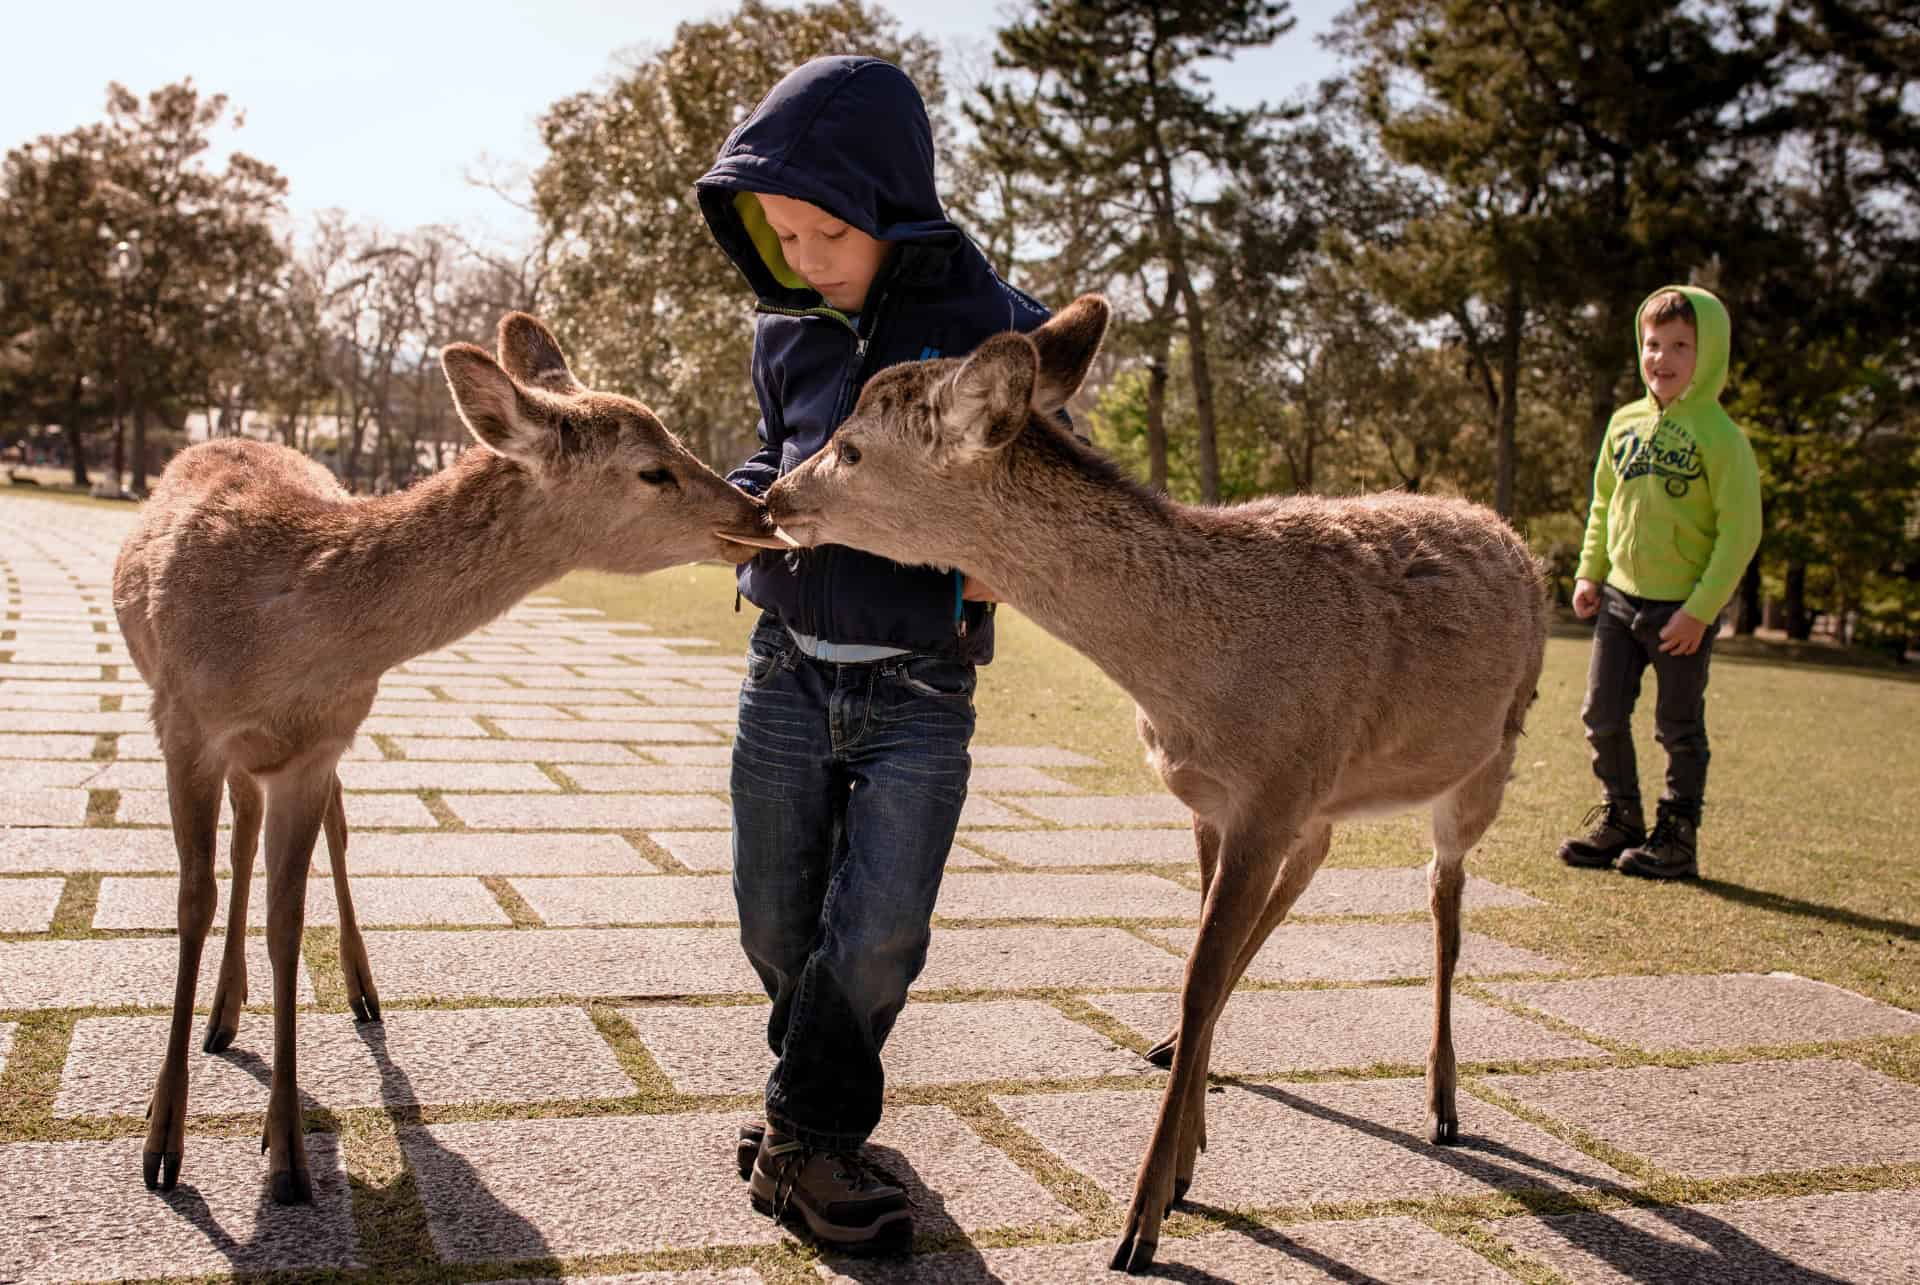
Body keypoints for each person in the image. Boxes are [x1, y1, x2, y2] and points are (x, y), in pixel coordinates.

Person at [694, 55, 1053, 1252]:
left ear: (893, 201)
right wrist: (731, 508)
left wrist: (991, 568)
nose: (803, 256)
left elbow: (1027, 500)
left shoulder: (996, 328)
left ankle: (809, 1137)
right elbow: (771, 453)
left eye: (826, 231)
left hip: (918, 684)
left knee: (884, 927)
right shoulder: (784, 329)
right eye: (782, 232)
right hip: (787, 667)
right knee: (771, 913)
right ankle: (815, 1113)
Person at [1558, 285, 1762, 880]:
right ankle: (1622, 819)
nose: (1662, 358)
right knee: (1601, 713)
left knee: (1677, 725)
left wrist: (1700, 610)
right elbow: (1603, 504)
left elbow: (1740, 533)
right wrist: (1590, 571)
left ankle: (1677, 838)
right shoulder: (1624, 424)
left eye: (1681, 346)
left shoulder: (1723, 439)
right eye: (1652, 344)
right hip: (1620, 600)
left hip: (1681, 611)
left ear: (1711, 355)